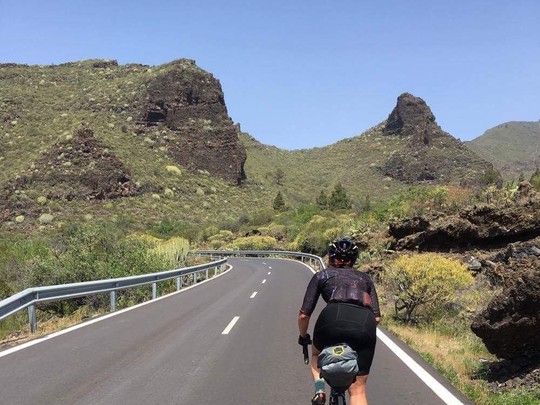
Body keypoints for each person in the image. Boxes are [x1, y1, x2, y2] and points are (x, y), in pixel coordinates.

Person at [298, 238, 381, 405]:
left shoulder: (322, 275)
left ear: (331, 257)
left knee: (316, 354)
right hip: (364, 322)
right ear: (354, 259)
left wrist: (303, 336)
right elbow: (377, 317)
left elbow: (304, 315)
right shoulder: (365, 279)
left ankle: (320, 390)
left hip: (331, 319)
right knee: (358, 390)